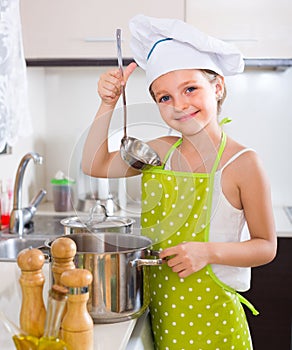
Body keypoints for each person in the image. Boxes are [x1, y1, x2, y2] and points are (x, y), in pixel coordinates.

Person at [82, 14, 277, 350]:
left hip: (215, 324)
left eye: (190, 89)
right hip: (162, 316)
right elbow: (94, 163)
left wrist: (207, 252)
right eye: (164, 97)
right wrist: (108, 103)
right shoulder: (159, 151)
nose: (179, 105)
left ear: (217, 87)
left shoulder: (242, 164)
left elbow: (266, 246)